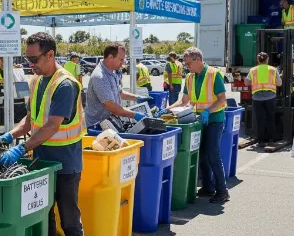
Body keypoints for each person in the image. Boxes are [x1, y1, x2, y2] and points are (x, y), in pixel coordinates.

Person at [0, 32, 87, 236]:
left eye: (34, 58)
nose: (30, 63)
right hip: (41, 159)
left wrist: (21, 148)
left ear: (50, 54)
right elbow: (31, 120)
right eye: (28, 58)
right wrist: (10, 135)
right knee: (43, 214)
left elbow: (52, 125)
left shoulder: (65, 85)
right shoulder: (37, 81)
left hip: (65, 163)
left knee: (69, 219)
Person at [164, 47, 229, 204]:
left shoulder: (214, 74)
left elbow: (222, 99)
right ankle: (208, 187)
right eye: (185, 64)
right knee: (202, 155)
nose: (186, 66)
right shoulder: (190, 77)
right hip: (198, 121)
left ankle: (222, 191)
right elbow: (184, 101)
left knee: (213, 154)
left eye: (188, 63)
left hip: (214, 119)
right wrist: (167, 109)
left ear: (198, 59)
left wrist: (208, 111)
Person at [85, 43, 148, 129]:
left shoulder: (112, 72)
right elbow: (112, 107)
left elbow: (119, 92)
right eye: (121, 60)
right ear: (110, 57)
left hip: (109, 123)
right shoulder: (100, 77)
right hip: (97, 127)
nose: (122, 63)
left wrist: (137, 98)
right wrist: (135, 115)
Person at [247, 52, 282, 146]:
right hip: (270, 97)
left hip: (257, 98)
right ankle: (270, 139)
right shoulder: (273, 70)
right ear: (267, 60)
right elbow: (279, 83)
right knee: (270, 117)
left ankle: (261, 140)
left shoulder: (253, 70)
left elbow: (246, 82)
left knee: (259, 119)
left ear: (258, 60)